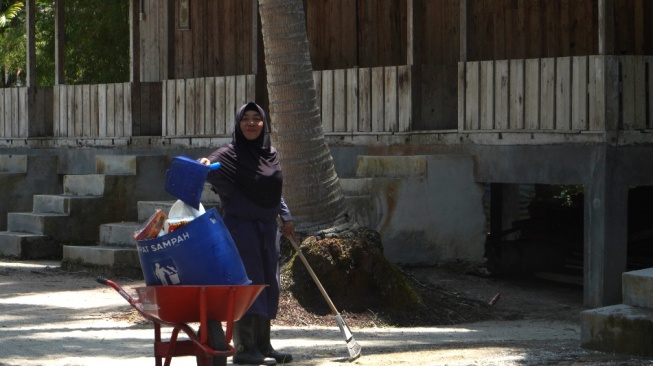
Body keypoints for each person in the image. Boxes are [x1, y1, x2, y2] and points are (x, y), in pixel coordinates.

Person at [199, 102, 295, 365]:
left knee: (269, 284)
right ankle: (244, 348)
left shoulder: (271, 154)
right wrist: (205, 162)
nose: (251, 123)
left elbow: (273, 191)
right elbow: (207, 164)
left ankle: (264, 346)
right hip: (241, 230)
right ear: (238, 124)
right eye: (246, 119)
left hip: (268, 230)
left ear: (264, 124)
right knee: (249, 286)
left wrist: (285, 216)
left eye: (257, 119)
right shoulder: (229, 154)